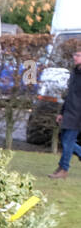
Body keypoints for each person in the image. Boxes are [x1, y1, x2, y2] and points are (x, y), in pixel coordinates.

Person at [49, 48, 81, 179]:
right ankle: (62, 167)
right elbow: (69, 95)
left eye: (78, 55)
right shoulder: (74, 73)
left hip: (78, 114)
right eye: (75, 54)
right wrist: (61, 112)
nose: (75, 57)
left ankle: (64, 169)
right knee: (66, 140)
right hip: (69, 111)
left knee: (68, 141)